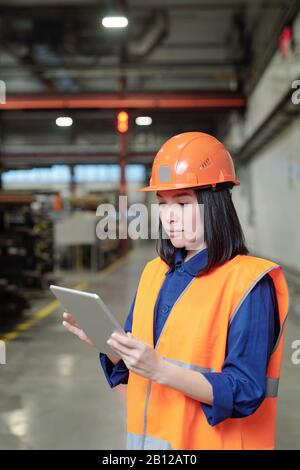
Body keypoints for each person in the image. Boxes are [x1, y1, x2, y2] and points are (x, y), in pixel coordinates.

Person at [63, 132, 289, 450]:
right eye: (163, 204)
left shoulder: (249, 283)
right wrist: (109, 345)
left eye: (182, 203)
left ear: (216, 205)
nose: (170, 216)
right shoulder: (155, 272)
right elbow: (137, 362)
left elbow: (245, 390)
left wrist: (161, 369)